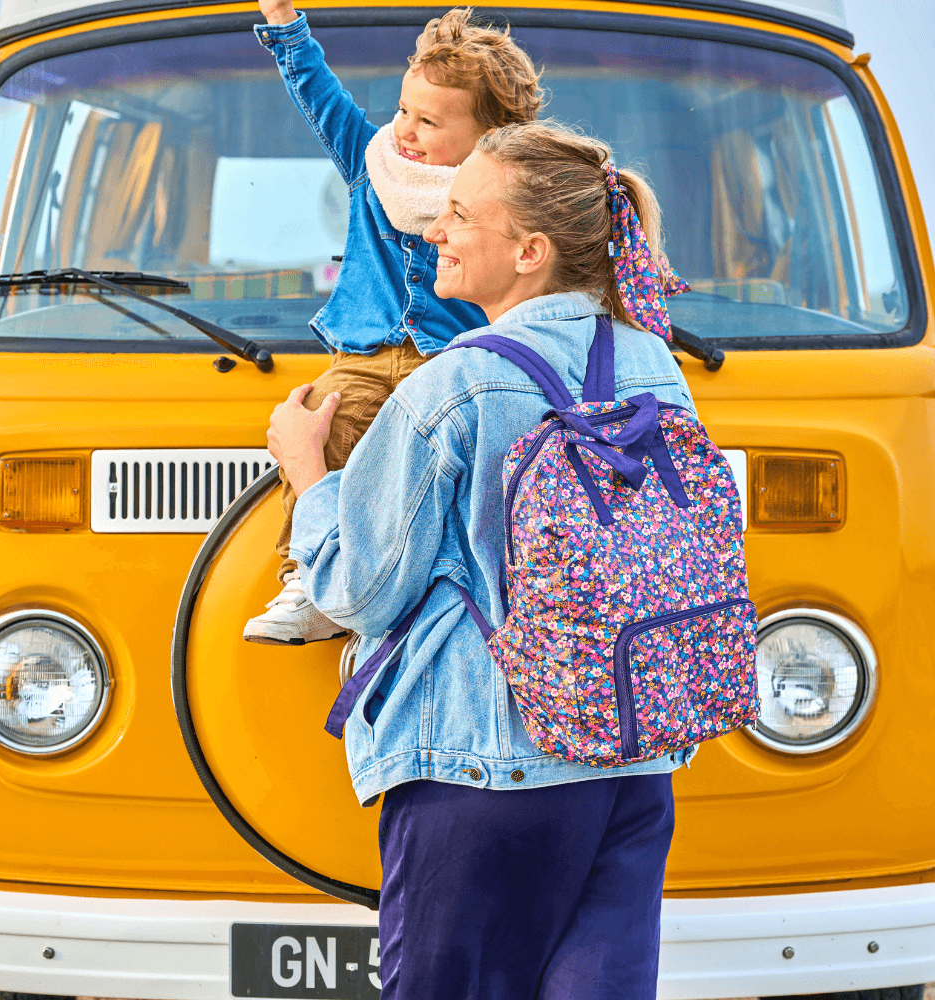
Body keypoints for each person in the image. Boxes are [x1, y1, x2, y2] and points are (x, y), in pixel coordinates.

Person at [268, 120, 695, 999]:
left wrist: (307, 471)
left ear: (530, 250)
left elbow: (362, 590)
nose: (434, 233)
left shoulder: (455, 384)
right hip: (633, 767)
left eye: (460, 216)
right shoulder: (656, 365)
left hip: (482, 772)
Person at [243, 0, 542, 645]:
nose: (405, 128)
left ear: (487, 140)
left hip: (452, 358)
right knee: (321, 425)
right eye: (404, 109)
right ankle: (311, 576)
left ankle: (455, 588)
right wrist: (286, 26)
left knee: (452, 473)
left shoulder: (499, 195)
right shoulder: (371, 163)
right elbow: (318, 94)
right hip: (364, 353)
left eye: (429, 121)